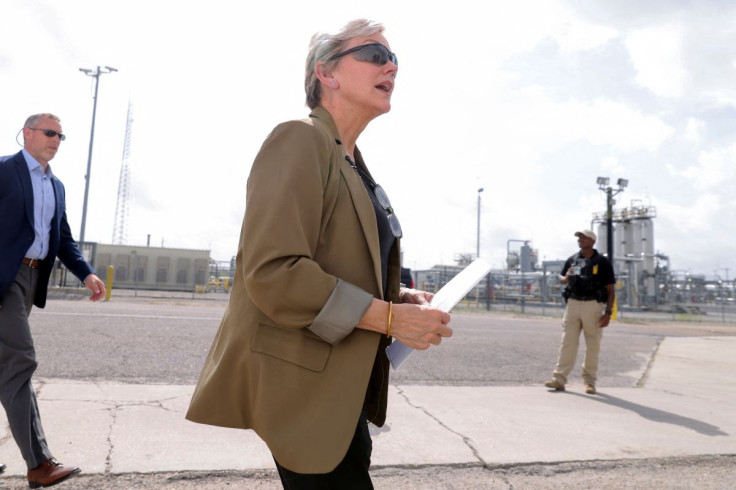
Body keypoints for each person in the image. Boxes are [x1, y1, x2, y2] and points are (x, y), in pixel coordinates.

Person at [186, 19, 452, 488]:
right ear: (325, 74)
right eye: (373, 54)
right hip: (302, 385)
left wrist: (400, 298)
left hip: (340, 385)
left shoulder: (354, 164)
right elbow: (275, 272)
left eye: (395, 59)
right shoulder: (299, 139)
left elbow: (338, 261)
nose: (390, 65)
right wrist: (388, 319)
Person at [0, 113, 106, 487]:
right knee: (19, 363)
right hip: (4, 279)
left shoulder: (56, 186)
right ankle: (39, 463)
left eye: (61, 135)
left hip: (31, 279)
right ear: (27, 134)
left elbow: (61, 238)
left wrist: (87, 273)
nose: (56, 140)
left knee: (5, 367)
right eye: (49, 133)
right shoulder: (3, 170)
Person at [545, 230, 615, 395]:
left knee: (592, 344)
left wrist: (608, 313)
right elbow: (562, 280)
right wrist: (566, 277)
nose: (580, 240)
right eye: (579, 238)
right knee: (567, 342)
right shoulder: (573, 260)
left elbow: (610, 290)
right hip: (573, 304)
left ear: (592, 240)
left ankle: (589, 382)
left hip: (593, 305)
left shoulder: (602, 262)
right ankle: (559, 380)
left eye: (584, 238)